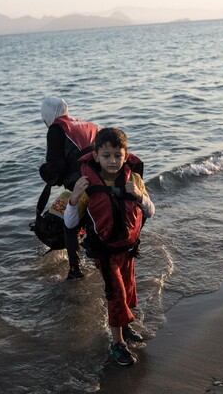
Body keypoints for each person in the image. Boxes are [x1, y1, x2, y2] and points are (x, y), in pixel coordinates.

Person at [64, 127, 155, 366]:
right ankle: (117, 343)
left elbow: (150, 211)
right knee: (116, 295)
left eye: (118, 155)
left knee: (128, 289)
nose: (113, 161)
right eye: (106, 156)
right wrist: (74, 197)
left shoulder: (133, 180)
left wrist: (139, 196)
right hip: (105, 253)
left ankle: (124, 329)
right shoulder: (85, 184)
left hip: (128, 249)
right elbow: (70, 222)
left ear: (126, 155)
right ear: (95, 156)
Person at [39, 96, 98, 280]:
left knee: (68, 223)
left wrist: (43, 172)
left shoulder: (56, 129)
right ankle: (92, 246)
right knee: (87, 219)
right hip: (100, 181)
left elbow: (55, 169)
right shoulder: (88, 124)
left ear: (47, 114)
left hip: (81, 186)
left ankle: (75, 269)